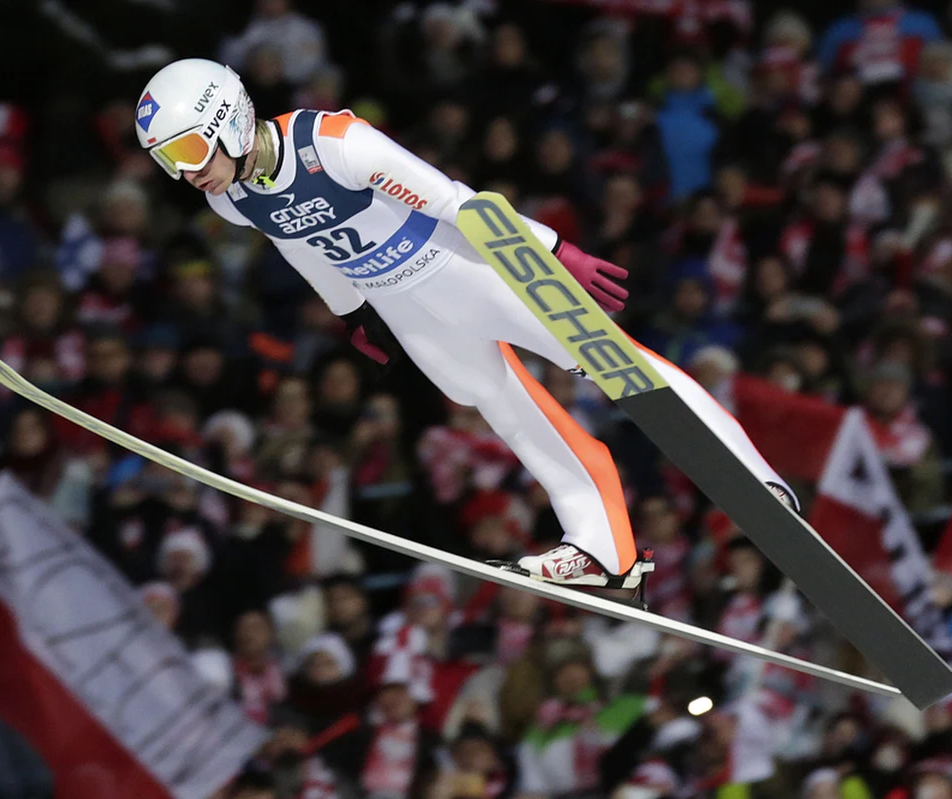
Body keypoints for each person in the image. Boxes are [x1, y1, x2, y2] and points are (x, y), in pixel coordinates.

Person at [133, 58, 798, 591]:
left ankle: (752, 476)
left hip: (467, 270)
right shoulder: (233, 200)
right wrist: (353, 313)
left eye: (188, 148)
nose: (185, 172)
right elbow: (300, 245)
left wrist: (548, 248)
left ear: (228, 118)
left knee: (612, 364)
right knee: (498, 405)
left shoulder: (333, 143)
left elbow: (453, 199)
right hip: (405, 305)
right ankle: (601, 541)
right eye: (168, 161)